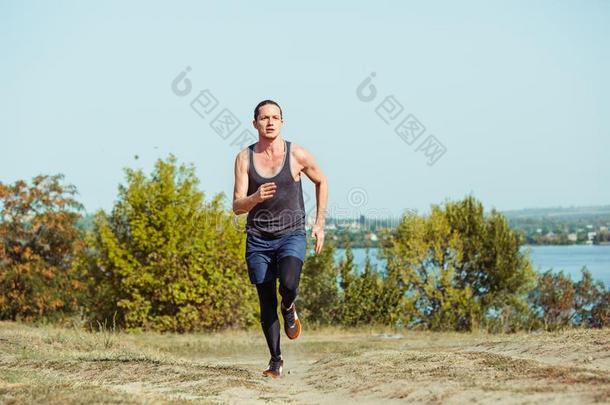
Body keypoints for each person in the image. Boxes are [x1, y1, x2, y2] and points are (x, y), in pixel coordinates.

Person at [232, 100, 327, 379]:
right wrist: (254, 197)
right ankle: (276, 359)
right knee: (264, 299)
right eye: (264, 118)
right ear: (255, 124)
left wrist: (319, 223)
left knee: (288, 284)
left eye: (275, 117)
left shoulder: (296, 154)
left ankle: (289, 306)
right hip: (258, 240)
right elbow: (237, 206)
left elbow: (322, 181)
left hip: (291, 235)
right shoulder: (244, 159)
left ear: (282, 121)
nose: (270, 122)